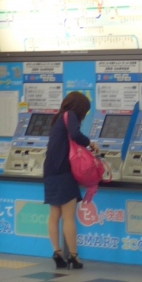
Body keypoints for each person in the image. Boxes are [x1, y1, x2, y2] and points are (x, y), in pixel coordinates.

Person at [43, 91, 91, 270]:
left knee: (54, 216)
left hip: (50, 171)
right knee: (69, 217)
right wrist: (90, 143)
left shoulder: (57, 118)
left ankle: (57, 252)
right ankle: (74, 256)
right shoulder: (70, 115)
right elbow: (76, 135)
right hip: (64, 172)